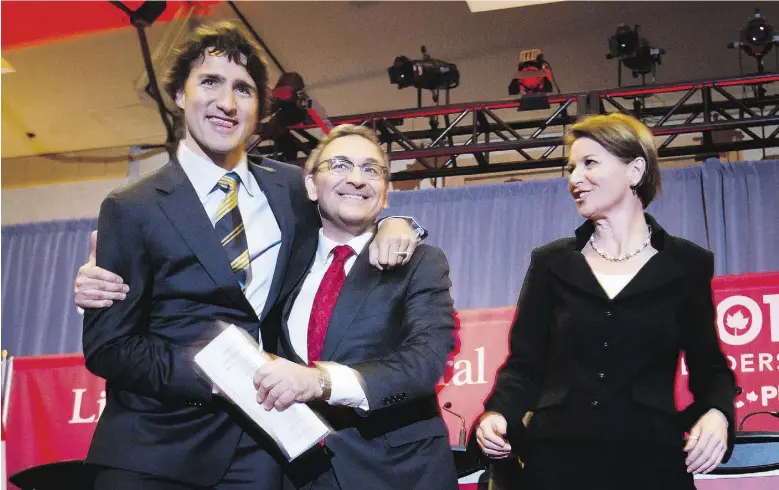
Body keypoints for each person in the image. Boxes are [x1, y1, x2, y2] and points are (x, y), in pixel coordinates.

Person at [78, 22, 423, 490]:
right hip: (153, 450)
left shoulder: (289, 188)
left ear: (259, 107)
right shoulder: (131, 206)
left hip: (260, 451)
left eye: (243, 89)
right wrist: (218, 376)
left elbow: (351, 210)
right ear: (179, 94)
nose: (227, 102)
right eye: (210, 82)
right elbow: (110, 348)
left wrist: (397, 224)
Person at [475, 113, 737, 490]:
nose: (574, 178)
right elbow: (523, 366)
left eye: (590, 163)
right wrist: (497, 414)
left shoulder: (687, 264)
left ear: (635, 171)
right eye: (571, 167)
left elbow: (710, 367)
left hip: (649, 463)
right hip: (555, 464)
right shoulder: (551, 262)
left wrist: (717, 413)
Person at [250, 124, 459, 490]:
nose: (358, 179)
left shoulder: (419, 262)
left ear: (385, 193)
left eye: (372, 169)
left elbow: (426, 361)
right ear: (312, 186)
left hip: (398, 473)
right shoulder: (281, 267)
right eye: (341, 166)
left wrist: (321, 382)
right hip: (300, 476)